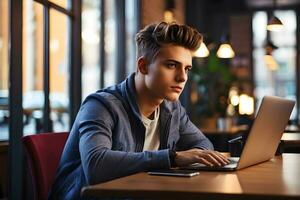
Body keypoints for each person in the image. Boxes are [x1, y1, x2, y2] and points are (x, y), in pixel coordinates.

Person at [49, 22, 229, 199]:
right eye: (171, 65)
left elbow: (204, 146)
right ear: (143, 66)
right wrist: (173, 158)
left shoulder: (172, 109)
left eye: (187, 68)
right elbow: (96, 166)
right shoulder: (100, 105)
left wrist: (192, 156)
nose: (182, 77)